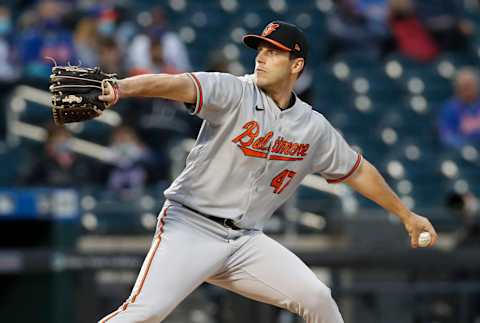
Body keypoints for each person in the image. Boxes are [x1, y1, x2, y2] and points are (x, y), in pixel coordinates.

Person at [97, 21, 438, 323]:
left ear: (296, 65)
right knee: (144, 314)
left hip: (245, 240)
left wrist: (406, 215)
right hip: (191, 226)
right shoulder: (234, 91)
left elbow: (358, 170)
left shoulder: (312, 127)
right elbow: (177, 84)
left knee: (318, 299)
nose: (260, 57)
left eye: (274, 52)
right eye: (260, 49)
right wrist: (123, 88)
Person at [438, 68, 480, 149]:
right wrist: (467, 146)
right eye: (464, 87)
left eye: (470, 86)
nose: (467, 90)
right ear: (457, 88)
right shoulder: (450, 108)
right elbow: (446, 136)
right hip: (462, 150)